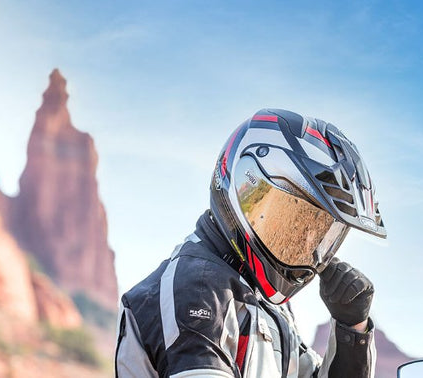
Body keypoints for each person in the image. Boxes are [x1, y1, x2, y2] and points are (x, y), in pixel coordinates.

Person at [116, 109, 387, 378]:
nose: (304, 239)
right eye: (294, 217)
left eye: (319, 231)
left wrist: (353, 328)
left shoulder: (259, 299)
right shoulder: (196, 289)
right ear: (246, 188)